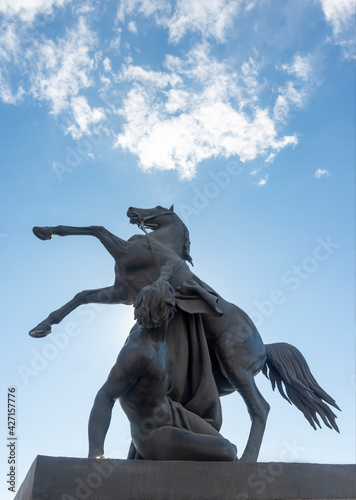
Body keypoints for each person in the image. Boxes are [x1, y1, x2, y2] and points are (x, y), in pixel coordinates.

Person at [88, 266, 237, 461]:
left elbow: (159, 287)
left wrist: (167, 271)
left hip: (172, 411)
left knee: (230, 446)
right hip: (154, 435)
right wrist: (96, 453)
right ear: (170, 311)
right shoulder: (139, 351)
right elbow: (105, 396)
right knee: (227, 452)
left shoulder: (158, 334)